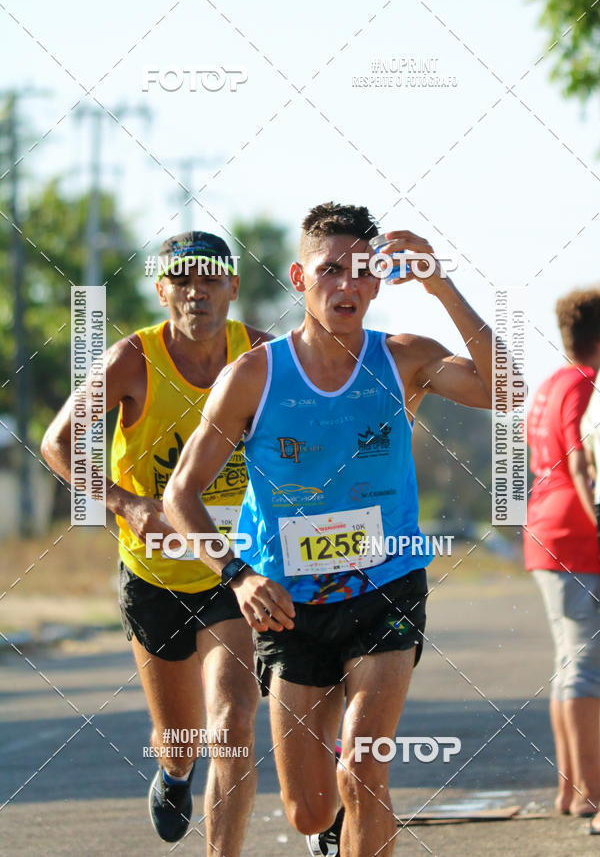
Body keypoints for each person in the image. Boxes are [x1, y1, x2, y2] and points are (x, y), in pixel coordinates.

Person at [163, 203, 498, 856]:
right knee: (310, 812)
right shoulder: (254, 377)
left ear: (378, 284)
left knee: (363, 768)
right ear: (299, 277)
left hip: (387, 590)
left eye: (364, 272)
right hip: (290, 605)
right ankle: (336, 828)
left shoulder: (404, 360)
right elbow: (181, 493)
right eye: (331, 270)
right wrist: (238, 574)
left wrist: (439, 285)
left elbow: (505, 390)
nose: (347, 284)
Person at [41, 231, 270, 852]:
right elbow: (58, 444)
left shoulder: (264, 355)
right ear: (163, 287)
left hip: (234, 569)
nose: (198, 291)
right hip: (156, 574)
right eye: (184, 279)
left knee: (235, 723)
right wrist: (124, 504)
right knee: (183, 737)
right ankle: (173, 773)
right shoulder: (132, 361)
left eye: (211, 278)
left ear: (233, 287)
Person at [524, 289, 600, 824]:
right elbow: (581, 459)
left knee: (570, 665)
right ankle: (594, 794)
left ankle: (572, 791)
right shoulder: (585, 384)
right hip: (577, 535)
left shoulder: (552, 382)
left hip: (547, 532)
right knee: (586, 670)